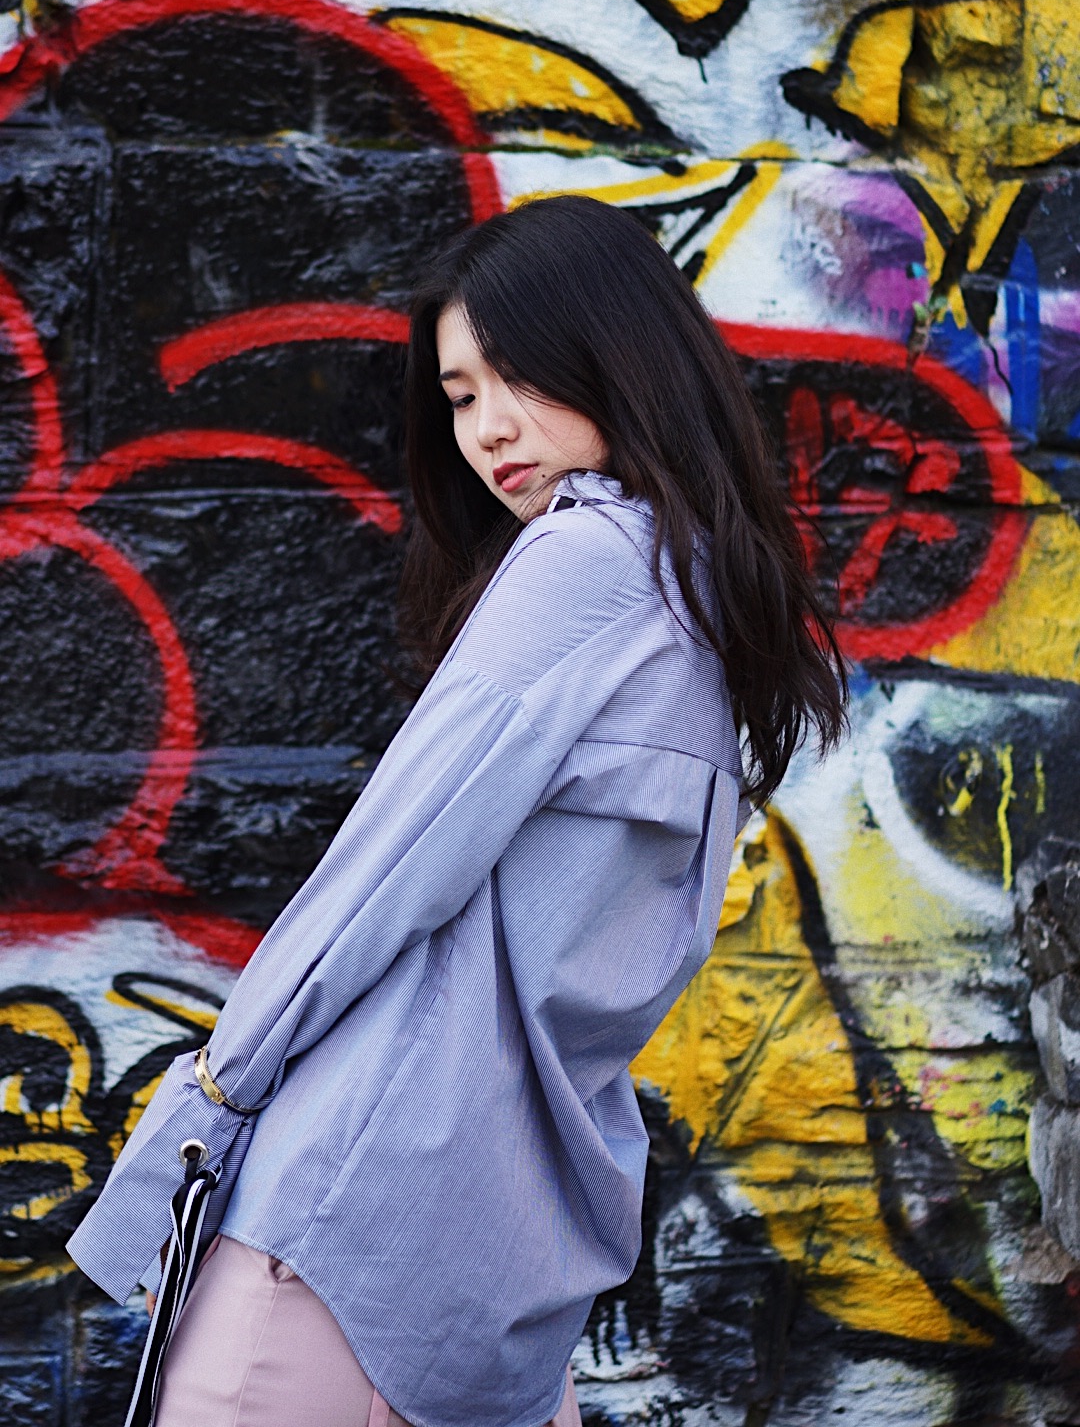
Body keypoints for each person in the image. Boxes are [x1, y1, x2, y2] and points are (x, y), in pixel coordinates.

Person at [67, 195, 847, 1427]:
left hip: (344, 1232)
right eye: (459, 394)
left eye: (514, 378)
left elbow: (382, 875)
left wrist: (207, 1102)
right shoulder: (701, 598)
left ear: (618, 354)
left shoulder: (588, 561)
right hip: (499, 1266)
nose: (486, 430)